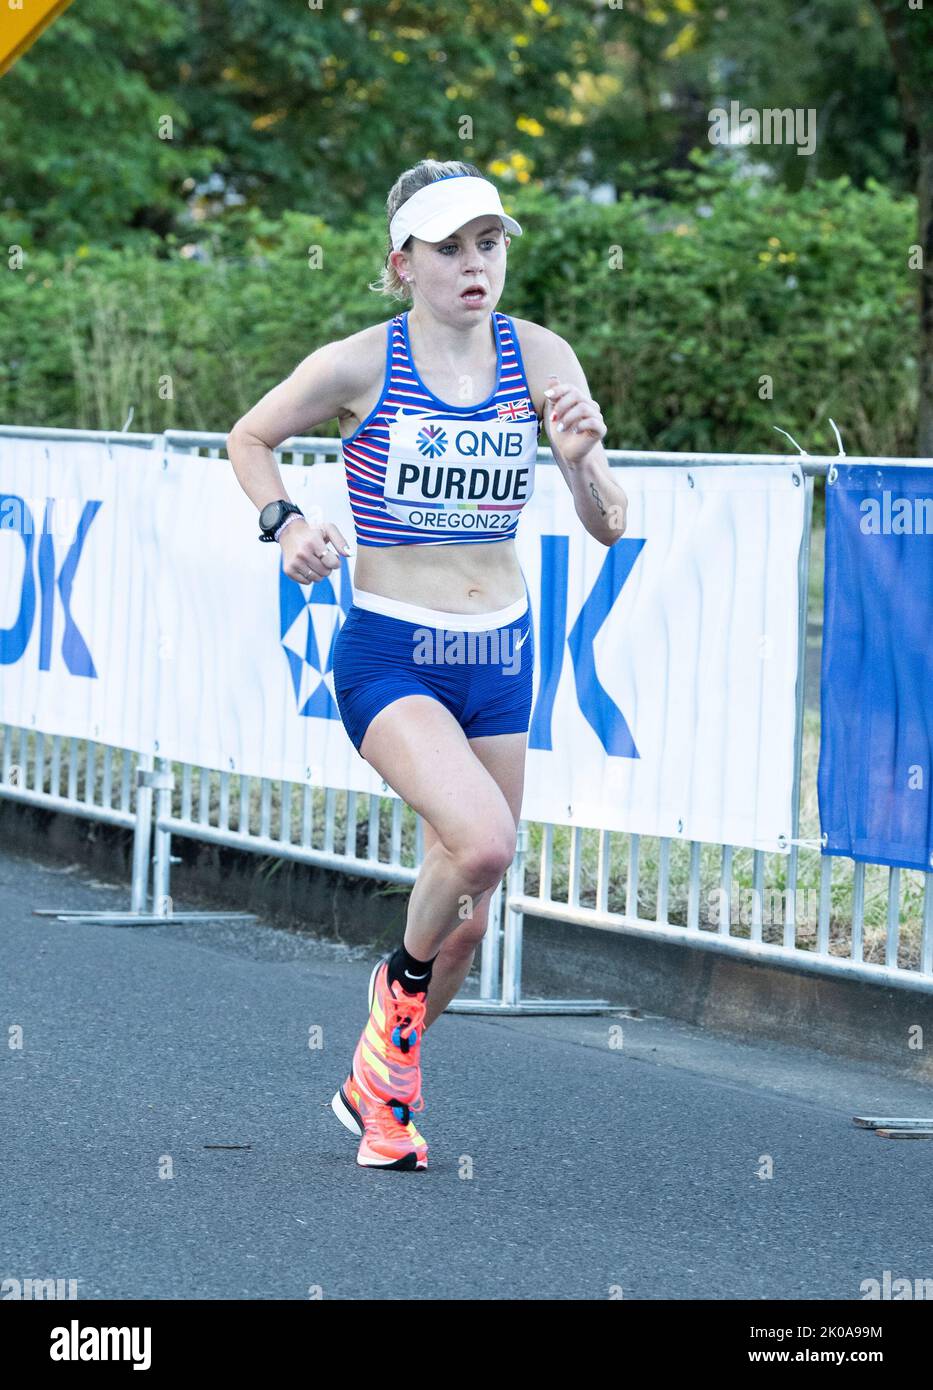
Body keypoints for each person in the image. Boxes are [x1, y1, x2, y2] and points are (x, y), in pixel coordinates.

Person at [227, 158, 628, 1171]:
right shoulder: (357, 364)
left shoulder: (542, 356)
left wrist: (584, 467)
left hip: (501, 651)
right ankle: (390, 1008)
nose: (473, 264)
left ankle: (381, 1081)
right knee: (484, 844)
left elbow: (611, 527)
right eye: (448, 246)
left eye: (488, 242)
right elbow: (251, 435)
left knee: (471, 914)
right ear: (401, 262)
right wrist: (283, 521)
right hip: (390, 649)